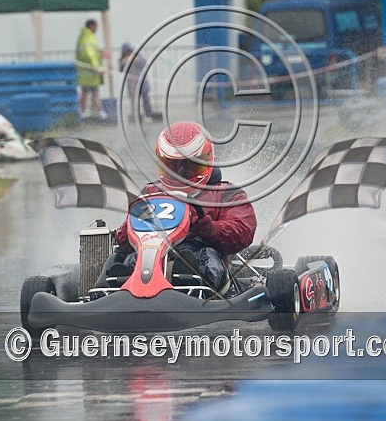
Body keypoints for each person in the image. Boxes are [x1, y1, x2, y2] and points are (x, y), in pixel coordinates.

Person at [104, 121, 257, 293]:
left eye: (189, 166)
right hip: (151, 252)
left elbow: (244, 229)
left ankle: (191, 279)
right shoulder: (150, 191)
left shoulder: (226, 194)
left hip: (201, 252)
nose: (181, 173)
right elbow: (128, 231)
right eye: (172, 166)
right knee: (129, 258)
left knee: (204, 256)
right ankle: (118, 282)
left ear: (206, 160)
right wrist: (125, 233)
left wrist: (212, 229)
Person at [75, 18, 106, 120]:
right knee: (90, 93)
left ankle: (89, 111)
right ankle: (94, 112)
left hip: (90, 73)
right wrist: (95, 65)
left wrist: (100, 55)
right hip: (90, 72)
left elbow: (92, 52)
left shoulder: (86, 36)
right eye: (96, 26)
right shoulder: (87, 37)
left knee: (89, 93)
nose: (97, 29)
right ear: (91, 26)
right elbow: (89, 53)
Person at [118, 42, 157, 121]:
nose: (128, 53)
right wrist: (126, 61)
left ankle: (148, 115)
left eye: (129, 51)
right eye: (126, 52)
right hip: (132, 84)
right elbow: (121, 69)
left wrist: (136, 60)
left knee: (145, 99)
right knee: (134, 101)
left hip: (142, 83)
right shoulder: (122, 60)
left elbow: (145, 63)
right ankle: (136, 116)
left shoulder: (139, 57)